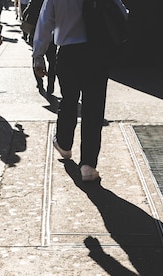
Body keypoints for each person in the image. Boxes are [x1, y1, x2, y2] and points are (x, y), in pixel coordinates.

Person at [32, 0, 110, 182]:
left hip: (68, 54)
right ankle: (88, 165)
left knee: (68, 100)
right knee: (94, 107)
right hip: (97, 53)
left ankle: (64, 143)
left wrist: (38, 55)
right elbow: (121, 13)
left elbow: (45, 23)